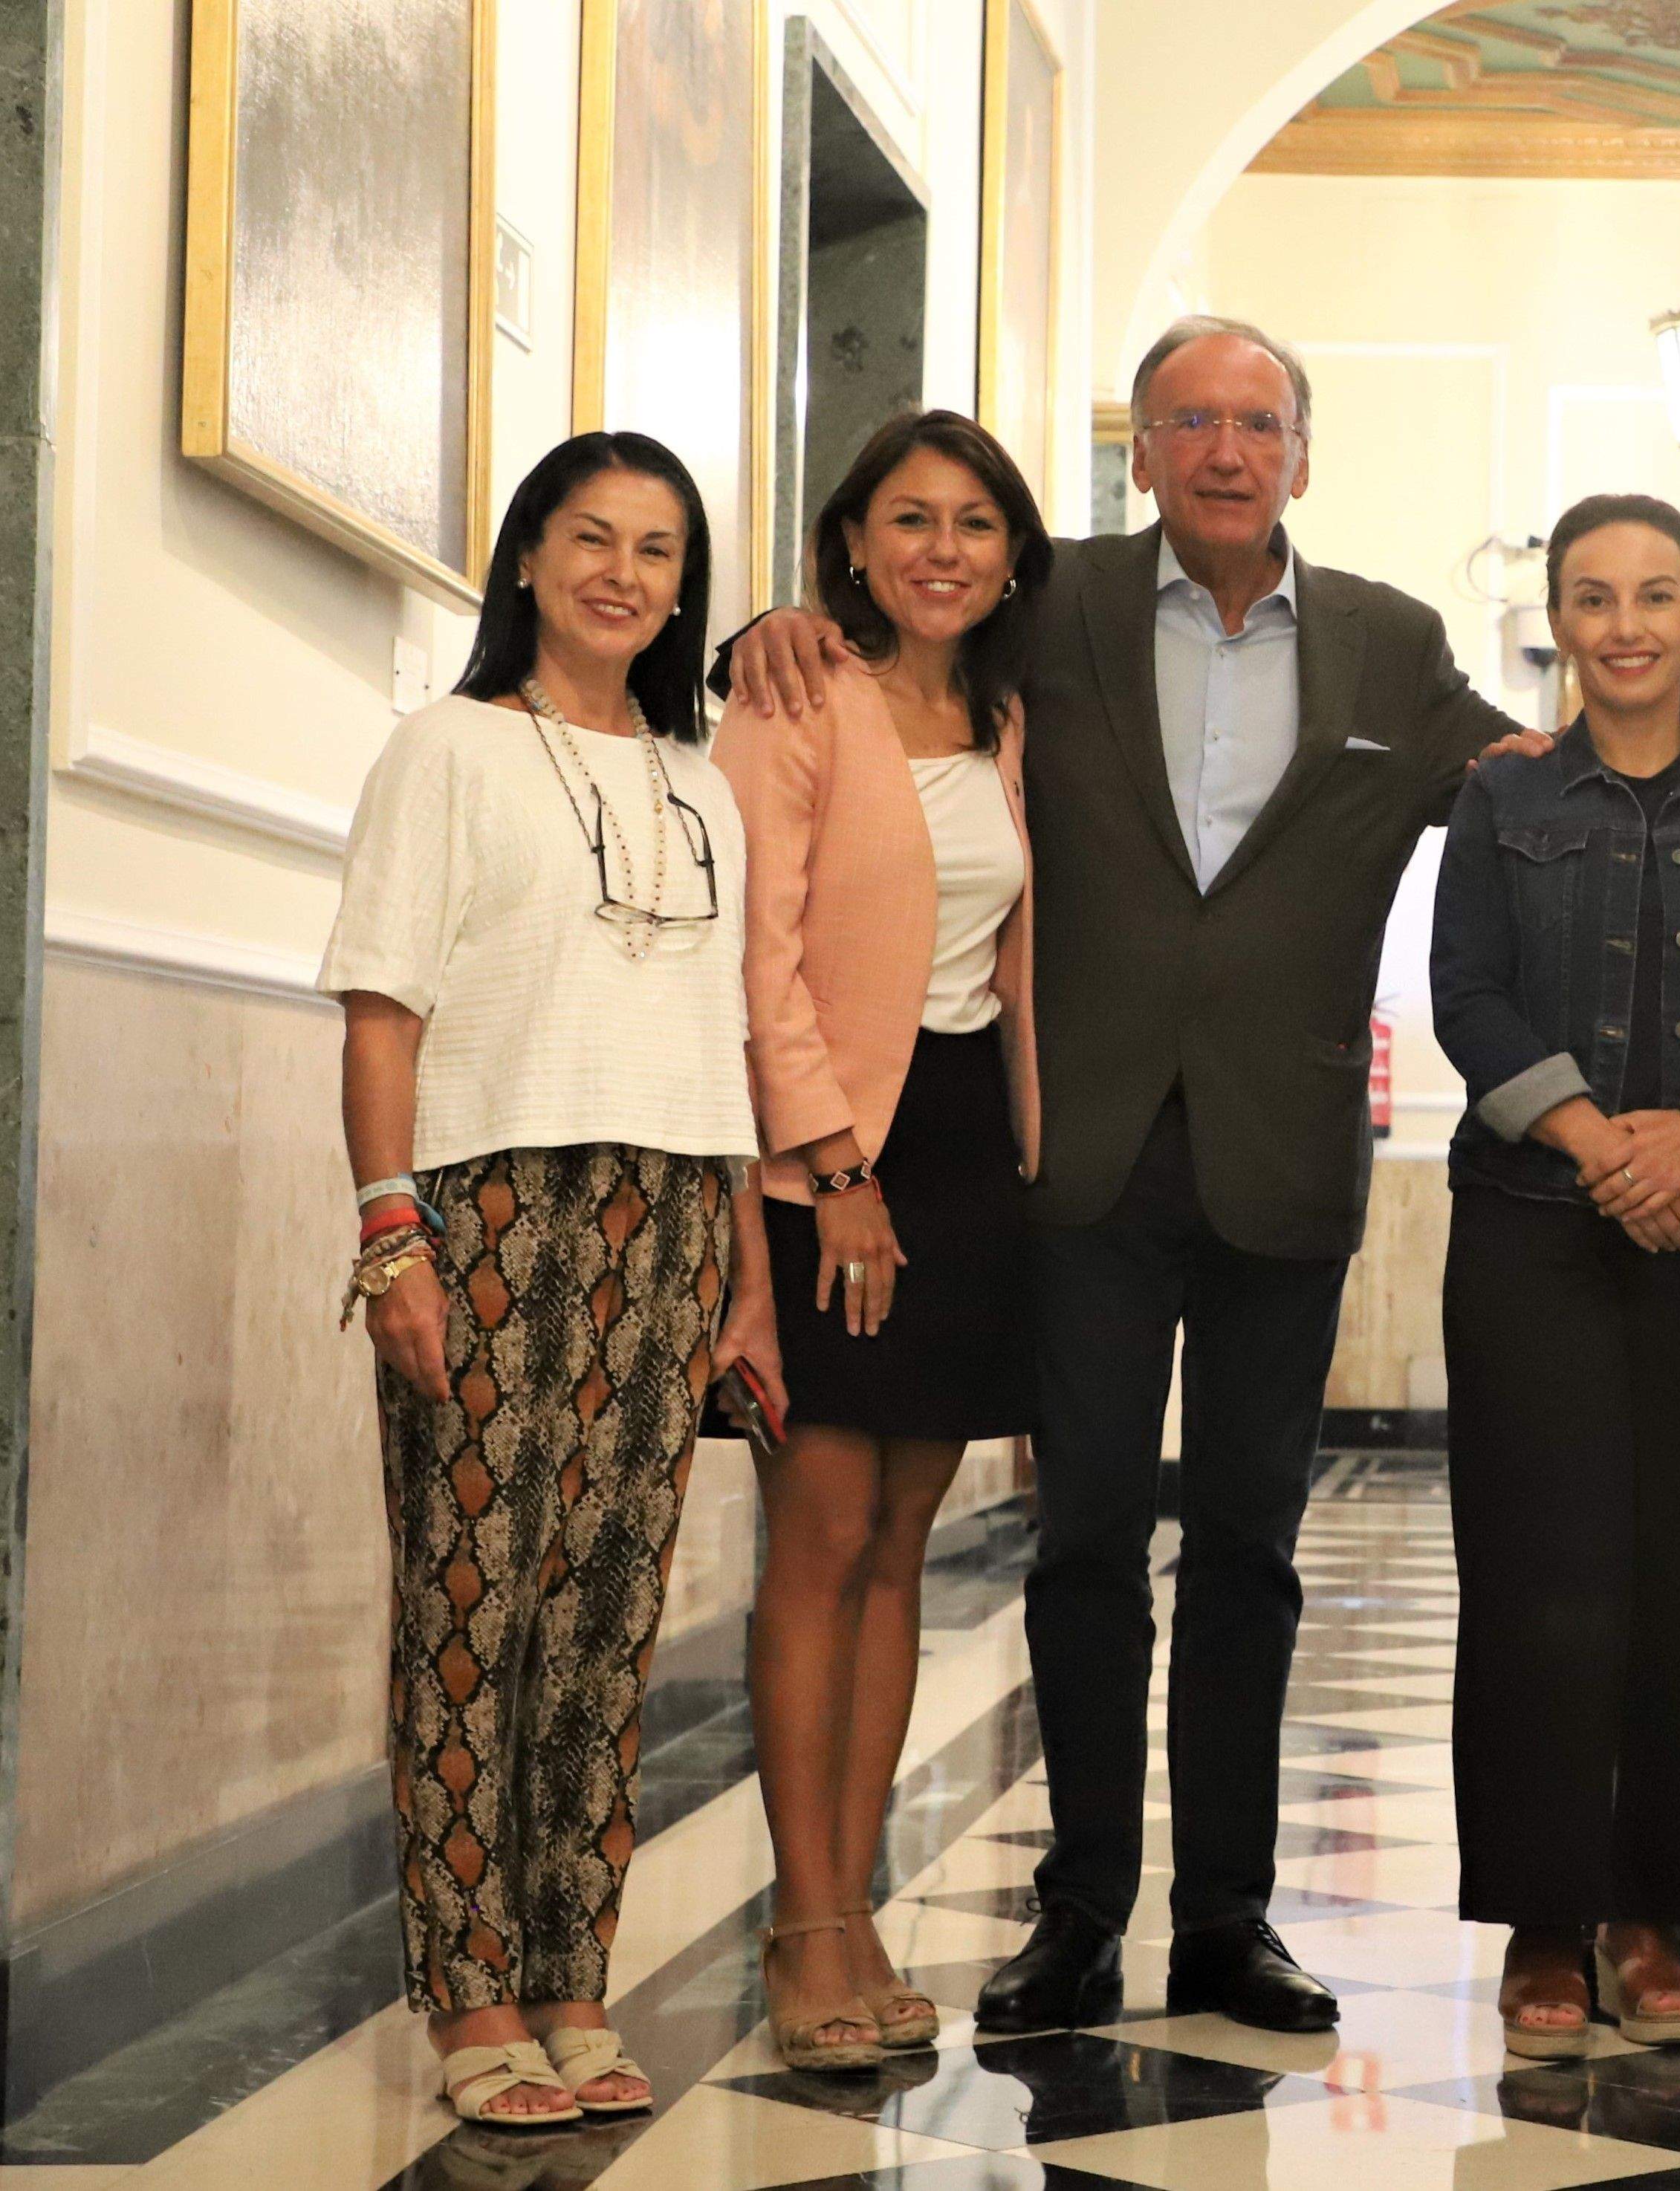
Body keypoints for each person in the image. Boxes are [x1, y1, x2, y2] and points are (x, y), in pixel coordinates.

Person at [724, 318, 1680, 2038]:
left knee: (1249, 1549)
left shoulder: (1389, 641)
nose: (1226, 451)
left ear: (1302, 453)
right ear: (1142, 450)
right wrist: (775, 623)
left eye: (1258, 423)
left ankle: (1228, 1914)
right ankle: (1081, 1907)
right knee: (1085, 1542)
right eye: (1190, 422)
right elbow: (896, 638)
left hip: (1282, 1156)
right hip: (1075, 1156)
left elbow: (1541, 761)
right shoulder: (1052, 604)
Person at [325, 432, 777, 2126]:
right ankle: (471, 1993)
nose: (622, 574)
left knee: (606, 1617)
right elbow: (383, 1006)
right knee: (471, 1610)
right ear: (527, 556)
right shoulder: (445, 749)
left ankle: (573, 1974)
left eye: (658, 550)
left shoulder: (701, 782)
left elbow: (723, 1046)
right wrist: (392, 1235)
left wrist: (745, 1281)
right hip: (490, 1207)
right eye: (592, 538)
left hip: (674, 1218)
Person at [1430, 494, 1680, 2059]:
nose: (1625, 625)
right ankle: (1545, 1916)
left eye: (1655, 594)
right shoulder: (1504, 790)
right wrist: (1600, 1141)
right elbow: (1464, 989)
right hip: (1531, 1224)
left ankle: (1658, 1913)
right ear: (1557, 618)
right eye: (1594, 596)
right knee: (1540, 1575)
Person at [718, 409, 1052, 2071]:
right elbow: (753, 950)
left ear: (1011, 556)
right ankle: (802, 1924)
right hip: (835, 1157)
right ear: (852, 539)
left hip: (972, 1147)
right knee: (823, 1532)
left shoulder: (1005, 713)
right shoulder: (793, 695)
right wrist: (834, 1161)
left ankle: (853, 1906)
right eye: (910, 518)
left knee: (904, 1539)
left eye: (975, 523)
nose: (943, 549)